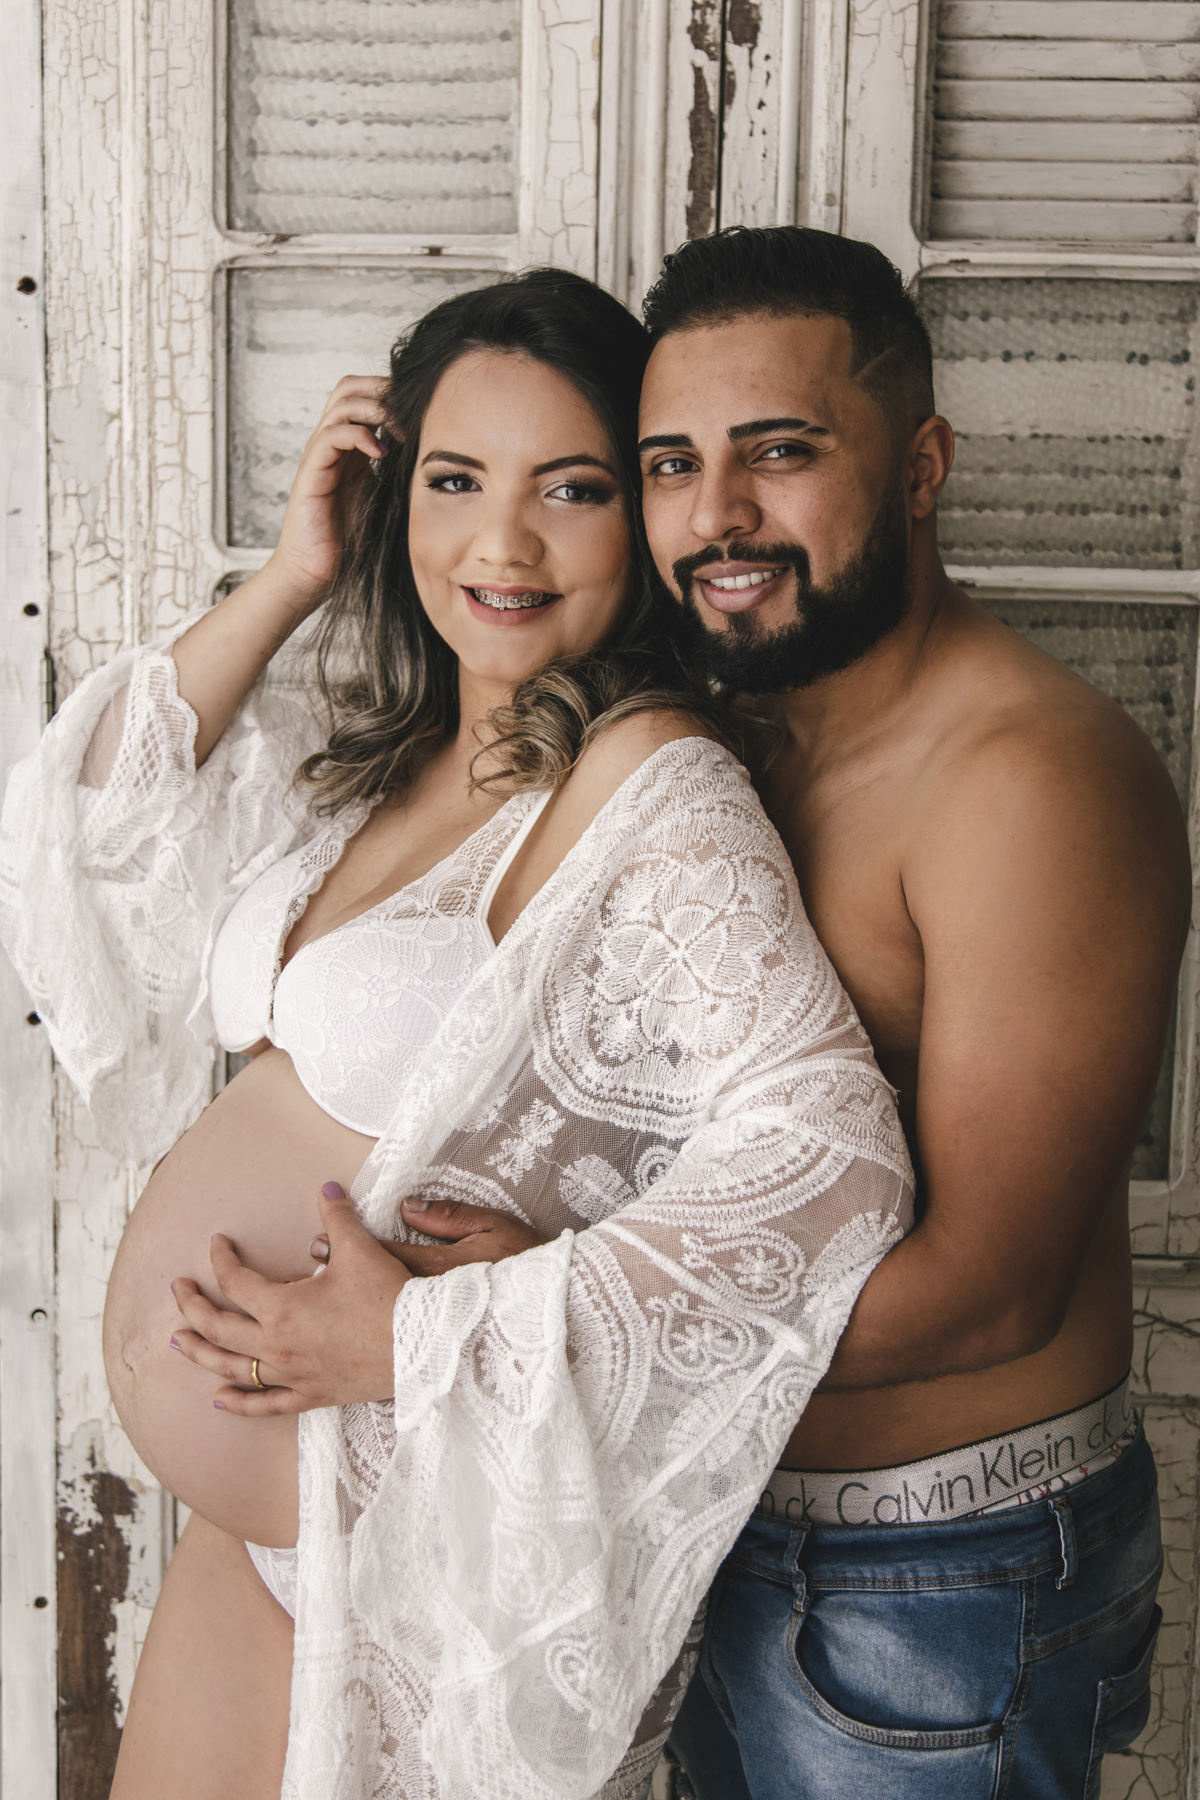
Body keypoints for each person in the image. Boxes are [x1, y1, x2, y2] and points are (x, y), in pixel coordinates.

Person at [0, 268, 913, 1800]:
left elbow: (830, 1161)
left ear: (644, 516)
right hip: (261, 1539)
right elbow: (86, 834)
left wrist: (446, 1329)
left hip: (414, 1562)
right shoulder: (397, 753)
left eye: (571, 487)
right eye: (454, 480)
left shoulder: (652, 783)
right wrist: (294, 574)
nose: (502, 544)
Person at [630, 225, 1190, 1798]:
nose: (716, 515)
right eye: (672, 464)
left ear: (924, 465)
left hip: (941, 1581)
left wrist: (517, 1334)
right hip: (725, 1537)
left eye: (781, 452)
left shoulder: (1024, 780)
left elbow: (988, 1294)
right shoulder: (725, 751)